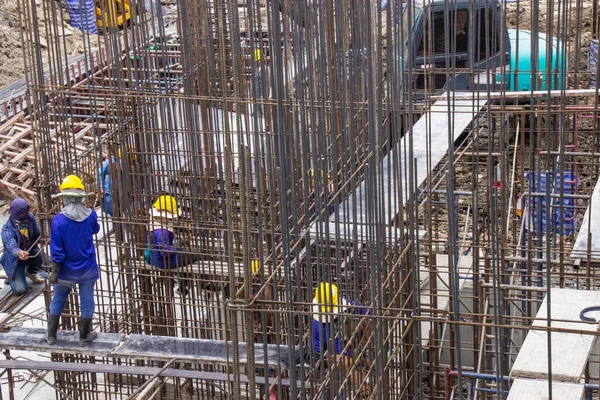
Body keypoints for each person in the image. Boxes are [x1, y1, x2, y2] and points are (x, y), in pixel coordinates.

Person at [46, 175, 101, 347]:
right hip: (87, 268)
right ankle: (84, 337)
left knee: (58, 300)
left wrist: (55, 271)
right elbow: (95, 229)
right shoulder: (91, 215)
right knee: (87, 302)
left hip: (65, 270)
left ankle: (51, 336)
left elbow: (56, 250)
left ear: (65, 198)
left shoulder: (58, 220)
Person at [311, 282, 370, 395]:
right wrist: (353, 353)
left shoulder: (341, 303)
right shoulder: (320, 326)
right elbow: (338, 351)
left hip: (341, 343)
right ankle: (364, 389)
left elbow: (364, 310)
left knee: (365, 323)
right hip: (322, 353)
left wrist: (365, 320)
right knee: (347, 361)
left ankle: (372, 353)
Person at [145, 195, 201, 296]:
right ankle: (205, 284)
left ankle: (183, 287)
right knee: (196, 255)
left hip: (154, 256)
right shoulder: (162, 233)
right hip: (163, 261)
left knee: (184, 256)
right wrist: (179, 244)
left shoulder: (154, 224)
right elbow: (165, 252)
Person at [0, 198, 44, 296]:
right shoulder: (7, 229)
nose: (27, 215)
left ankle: (30, 271)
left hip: (30, 251)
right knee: (20, 290)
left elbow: (37, 234)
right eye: (24, 214)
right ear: (17, 214)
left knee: (43, 259)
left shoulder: (30, 217)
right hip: (14, 259)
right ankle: (11, 278)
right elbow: (12, 245)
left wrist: (45, 238)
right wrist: (19, 252)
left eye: (27, 212)